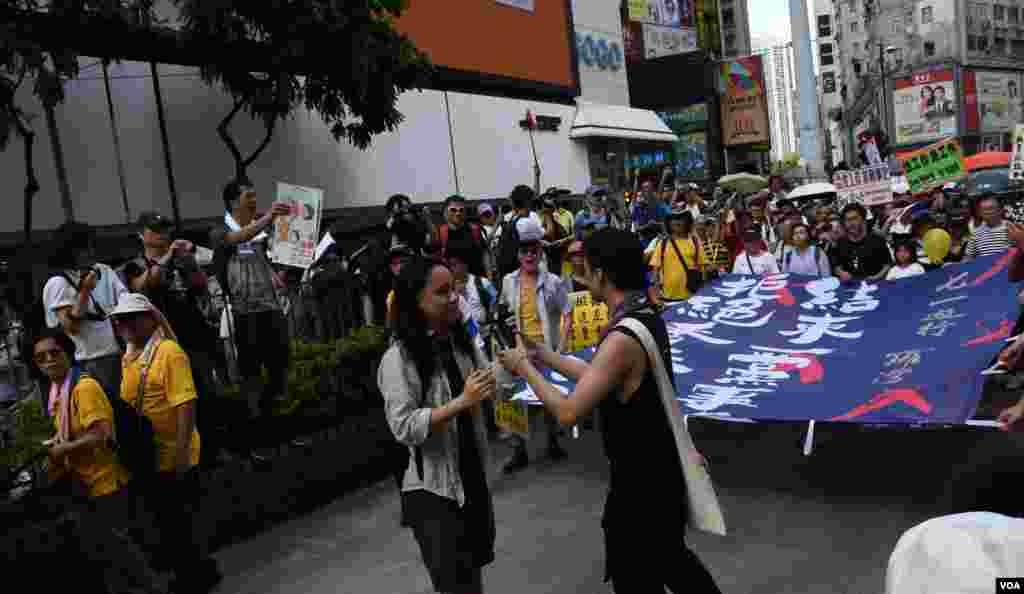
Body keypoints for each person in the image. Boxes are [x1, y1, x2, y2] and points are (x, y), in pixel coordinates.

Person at [495, 228, 721, 593]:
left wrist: (524, 368)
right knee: (672, 560)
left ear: (601, 273)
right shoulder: (643, 316)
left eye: (585, 268)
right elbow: (600, 376)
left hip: (640, 487)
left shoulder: (620, 338)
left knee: (642, 574)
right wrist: (543, 355)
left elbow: (568, 411)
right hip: (657, 474)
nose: (581, 278)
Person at [378, 257, 497, 594]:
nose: (453, 297)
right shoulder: (398, 358)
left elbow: (488, 381)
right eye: (442, 292)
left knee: (472, 581)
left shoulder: (459, 340)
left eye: (454, 289)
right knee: (456, 586)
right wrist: (461, 402)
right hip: (434, 493)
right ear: (417, 300)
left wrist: (519, 364)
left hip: (471, 480)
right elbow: (403, 426)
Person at [30, 328, 165, 594]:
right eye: (41, 357)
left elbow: (101, 435)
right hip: (84, 485)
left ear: (68, 352)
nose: (48, 361)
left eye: (54, 353)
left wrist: (63, 450)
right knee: (110, 561)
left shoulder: (84, 388)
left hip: (106, 483)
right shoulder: (56, 392)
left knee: (125, 558)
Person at [110, 293, 221, 594]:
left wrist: (183, 455)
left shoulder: (169, 352)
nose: (126, 325)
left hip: (176, 453)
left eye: (133, 318)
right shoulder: (131, 357)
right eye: (121, 320)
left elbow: (186, 405)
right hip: (153, 454)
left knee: (180, 523)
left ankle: (196, 577)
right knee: (169, 523)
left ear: (150, 319)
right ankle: (195, 573)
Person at [121, 212, 224, 468]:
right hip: (160, 346)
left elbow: (200, 284)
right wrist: (168, 257)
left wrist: (188, 260)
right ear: (141, 234)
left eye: (165, 228)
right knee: (174, 404)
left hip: (194, 337)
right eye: (155, 229)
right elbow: (144, 284)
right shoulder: (135, 265)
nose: (162, 234)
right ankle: (181, 457)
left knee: (205, 396)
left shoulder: (181, 259)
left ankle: (211, 453)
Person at [211, 180, 292, 459]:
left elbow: (263, 260)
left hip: (271, 308)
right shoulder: (220, 231)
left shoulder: (260, 230)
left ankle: (278, 432)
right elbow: (237, 239)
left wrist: (277, 276)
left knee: (280, 368)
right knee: (251, 377)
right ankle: (256, 442)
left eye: (256, 195)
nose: (255, 200)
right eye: (249, 196)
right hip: (244, 314)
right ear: (234, 202)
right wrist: (269, 218)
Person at [498, 218, 570, 473]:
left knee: (549, 396)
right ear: (518, 254)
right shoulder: (508, 282)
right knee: (506, 393)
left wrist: (559, 350)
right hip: (518, 350)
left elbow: (567, 314)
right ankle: (517, 449)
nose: (529, 255)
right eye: (524, 250)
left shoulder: (553, 282)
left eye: (533, 250)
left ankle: (552, 440)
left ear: (540, 251)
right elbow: (505, 313)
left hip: (546, 349)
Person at [42, 222, 130, 402]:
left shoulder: (103, 271)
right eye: (85, 247)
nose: (91, 251)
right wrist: (85, 291)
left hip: (118, 353)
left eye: (92, 245)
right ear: (70, 251)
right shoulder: (58, 282)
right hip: (88, 361)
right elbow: (71, 327)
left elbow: (126, 302)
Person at [648, 210, 704, 302]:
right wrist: (657, 290)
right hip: (667, 297)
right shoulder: (662, 243)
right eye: (673, 219)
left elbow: (702, 267)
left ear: (687, 222)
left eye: (681, 218)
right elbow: (655, 269)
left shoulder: (695, 241)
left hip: (692, 296)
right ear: (668, 223)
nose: (677, 221)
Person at [831, 203, 893, 282]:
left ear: (863, 219)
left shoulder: (877, 240)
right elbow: (836, 266)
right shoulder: (840, 243)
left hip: (875, 286)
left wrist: (876, 277)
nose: (851, 223)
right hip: (850, 288)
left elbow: (887, 264)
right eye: (847, 220)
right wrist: (841, 273)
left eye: (854, 218)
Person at [438, 195, 486, 276]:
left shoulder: (475, 229)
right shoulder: (440, 232)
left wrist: (489, 277)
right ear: (445, 212)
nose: (458, 213)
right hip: (452, 284)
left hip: (476, 282)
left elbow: (485, 253)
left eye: (461, 210)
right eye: (453, 210)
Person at [965, 194, 1012, 260]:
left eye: (990, 208)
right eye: (983, 209)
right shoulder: (976, 233)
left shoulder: (1013, 228)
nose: (987, 212)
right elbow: (968, 257)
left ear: (1000, 209)